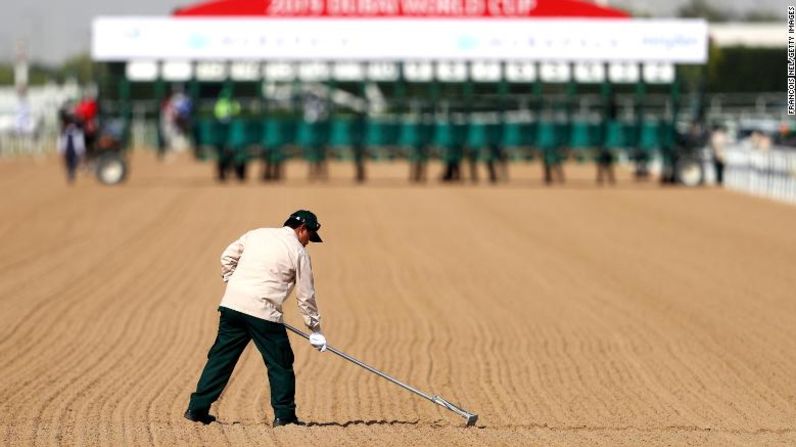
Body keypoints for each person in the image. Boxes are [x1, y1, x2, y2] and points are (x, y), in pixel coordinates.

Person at [185, 210, 327, 427]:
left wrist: (233, 284)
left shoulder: (256, 234)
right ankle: (285, 416)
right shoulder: (298, 252)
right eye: (310, 237)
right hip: (263, 313)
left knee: (221, 358)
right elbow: (305, 296)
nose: (308, 243)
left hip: (232, 306)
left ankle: (197, 409)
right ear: (302, 229)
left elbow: (227, 257)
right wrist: (315, 330)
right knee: (280, 363)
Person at [57, 115, 86, 184]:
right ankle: (70, 174)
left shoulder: (77, 132)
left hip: (75, 150)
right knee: (68, 163)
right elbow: (62, 142)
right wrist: (61, 150)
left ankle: (72, 174)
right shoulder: (64, 132)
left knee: (74, 163)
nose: (71, 126)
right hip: (67, 150)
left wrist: (81, 151)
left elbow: (80, 142)